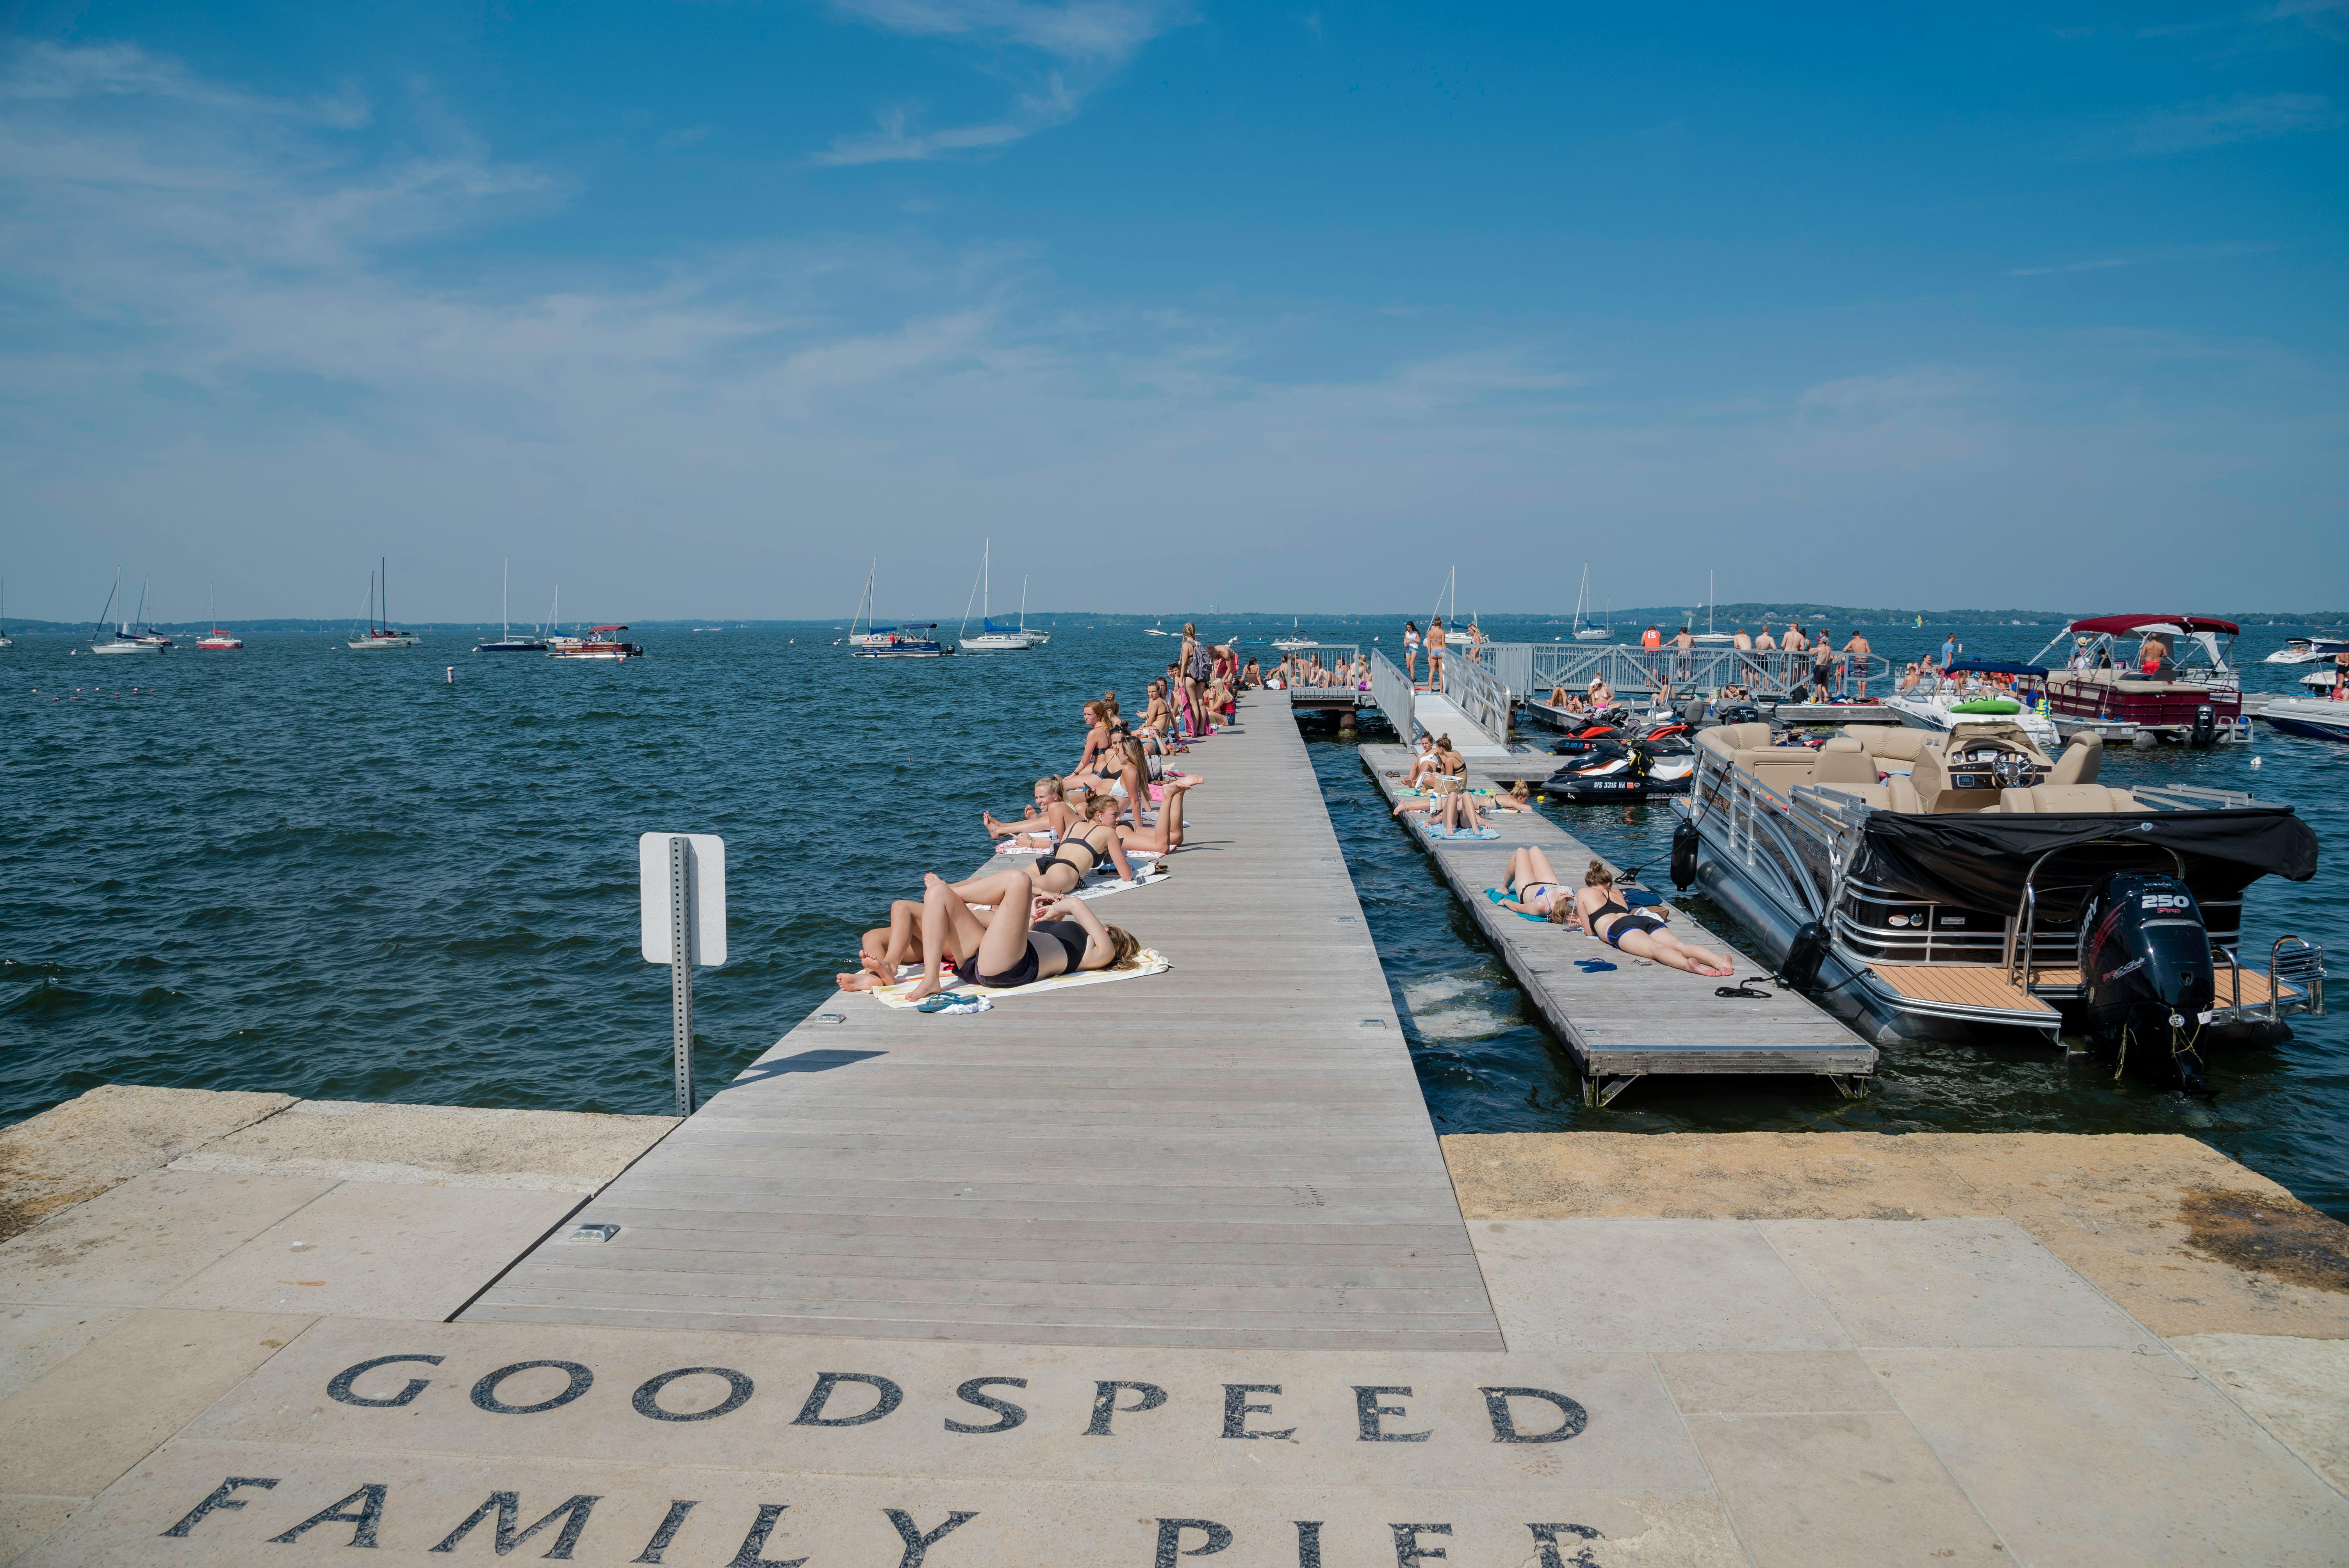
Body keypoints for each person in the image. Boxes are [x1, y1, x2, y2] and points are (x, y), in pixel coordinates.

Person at [902, 871, 1144, 1004]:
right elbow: (1018, 936)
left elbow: (1076, 904)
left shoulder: (1102, 952)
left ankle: (955, 890)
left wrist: (1060, 909)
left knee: (1020, 881)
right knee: (937, 894)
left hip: (1014, 967)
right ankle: (931, 979)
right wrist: (1035, 915)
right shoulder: (1075, 940)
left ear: (1109, 933)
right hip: (987, 959)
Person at [1567, 861, 1735, 976]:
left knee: (1655, 950)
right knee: (1680, 945)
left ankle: (1688, 966)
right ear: (1609, 884)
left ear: (1589, 883)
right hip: (1643, 920)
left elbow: (1589, 932)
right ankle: (1719, 961)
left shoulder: (1584, 893)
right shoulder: (1617, 893)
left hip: (1620, 927)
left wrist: (1585, 923)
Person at [1491, 846, 1571, 919]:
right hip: (1550, 883)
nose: (1566, 892)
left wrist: (1506, 902)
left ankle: (1504, 888)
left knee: (1521, 852)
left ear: (1555, 905)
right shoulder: (1572, 903)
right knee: (1534, 849)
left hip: (1528, 887)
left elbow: (1518, 908)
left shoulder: (1542, 907)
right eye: (1570, 896)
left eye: (1563, 895)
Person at [1843, 629, 1871, 699]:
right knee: (1864, 679)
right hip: (1864, 660)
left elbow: (1844, 650)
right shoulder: (1865, 641)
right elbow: (1869, 651)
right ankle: (1864, 695)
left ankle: (1860, 695)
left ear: (1853, 636)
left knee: (1858, 678)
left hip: (1857, 660)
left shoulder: (1852, 642)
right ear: (1860, 635)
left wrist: (1850, 650)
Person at [1426, 616, 1448, 691]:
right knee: (1441, 671)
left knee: (1432, 671)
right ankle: (1441, 690)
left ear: (1435, 624)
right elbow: (1444, 644)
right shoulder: (1442, 632)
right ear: (1440, 624)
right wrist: (1446, 653)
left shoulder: (1430, 633)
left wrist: (1429, 655)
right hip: (1440, 651)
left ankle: (1430, 689)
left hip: (1433, 651)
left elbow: (1429, 646)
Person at [1403, 620, 1421, 685]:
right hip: (1408, 648)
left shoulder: (1416, 633)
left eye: (1410, 628)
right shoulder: (1406, 632)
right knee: (1408, 666)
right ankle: (1413, 677)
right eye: (1408, 628)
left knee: (1411, 664)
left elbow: (1419, 641)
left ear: (1412, 627)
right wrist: (1405, 642)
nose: (1409, 629)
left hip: (1414, 649)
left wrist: (1412, 640)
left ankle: (1412, 679)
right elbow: (1405, 639)